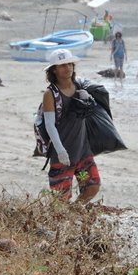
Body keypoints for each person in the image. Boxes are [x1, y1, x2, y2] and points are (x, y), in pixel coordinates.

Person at [41, 48, 100, 204]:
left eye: (69, 64)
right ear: (54, 70)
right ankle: (65, 221)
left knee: (92, 186)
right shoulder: (50, 94)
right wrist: (60, 150)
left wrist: (88, 99)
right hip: (63, 155)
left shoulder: (79, 86)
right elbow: (49, 124)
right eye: (62, 65)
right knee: (61, 200)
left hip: (82, 150)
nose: (67, 68)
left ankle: (73, 213)